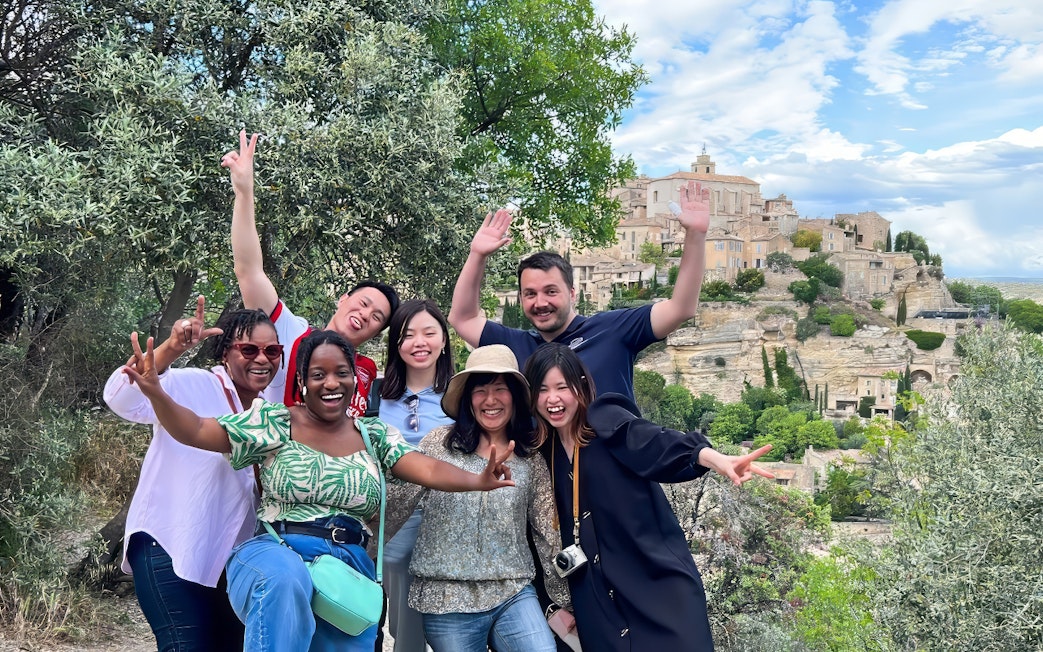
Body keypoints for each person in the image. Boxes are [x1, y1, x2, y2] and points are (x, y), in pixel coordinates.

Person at [120, 329, 516, 652]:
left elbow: (426, 466)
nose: (331, 383)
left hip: (347, 569)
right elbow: (196, 430)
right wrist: (156, 392)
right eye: (318, 374)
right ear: (301, 381)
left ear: (353, 378)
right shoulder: (275, 422)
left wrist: (479, 479)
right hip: (276, 550)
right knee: (285, 581)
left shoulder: (373, 434)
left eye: (341, 373)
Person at [523, 343, 774, 651]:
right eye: (543, 389)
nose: (553, 399)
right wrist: (549, 606)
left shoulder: (604, 421)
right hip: (597, 605)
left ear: (582, 386)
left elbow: (652, 442)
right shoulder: (540, 456)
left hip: (655, 589)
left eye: (563, 387)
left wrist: (709, 457)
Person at [103, 296, 280, 650]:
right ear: (225, 353)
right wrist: (172, 347)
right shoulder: (195, 384)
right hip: (169, 545)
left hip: (230, 563)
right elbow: (120, 398)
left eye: (272, 351)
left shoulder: (269, 414)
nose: (262, 359)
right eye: (249, 350)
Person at [448, 180, 710, 399]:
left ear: (572, 294)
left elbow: (680, 308)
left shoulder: (612, 330)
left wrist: (696, 235)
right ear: (520, 298)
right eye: (530, 294)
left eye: (551, 291)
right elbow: (462, 318)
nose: (540, 302)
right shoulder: (515, 345)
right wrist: (477, 255)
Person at [222, 130, 399, 414]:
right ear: (343, 298)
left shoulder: (365, 370)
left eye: (377, 317)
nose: (366, 314)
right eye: (364, 303)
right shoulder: (290, 334)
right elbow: (249, 271)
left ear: (377, 332)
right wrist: (244, 193)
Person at [405, 345, 568, 652]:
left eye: (500, 390)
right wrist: (364, 550)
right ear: (468, 398)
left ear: (516, 398)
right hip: (447, 597)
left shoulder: (529, 458)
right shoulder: (438, 444)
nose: (490, 400)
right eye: (480, 390)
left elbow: (548, 531)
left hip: (513, 590)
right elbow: (399, 500)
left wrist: (564, 600)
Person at [378, 299, 455, 651]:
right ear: (397, 344)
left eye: (429, 333)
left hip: (447, 517)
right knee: (400, 619)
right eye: (408, 335)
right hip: (386, 520)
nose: (419, 342)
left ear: (443, 341)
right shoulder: (373, 395)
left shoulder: (462, 396)